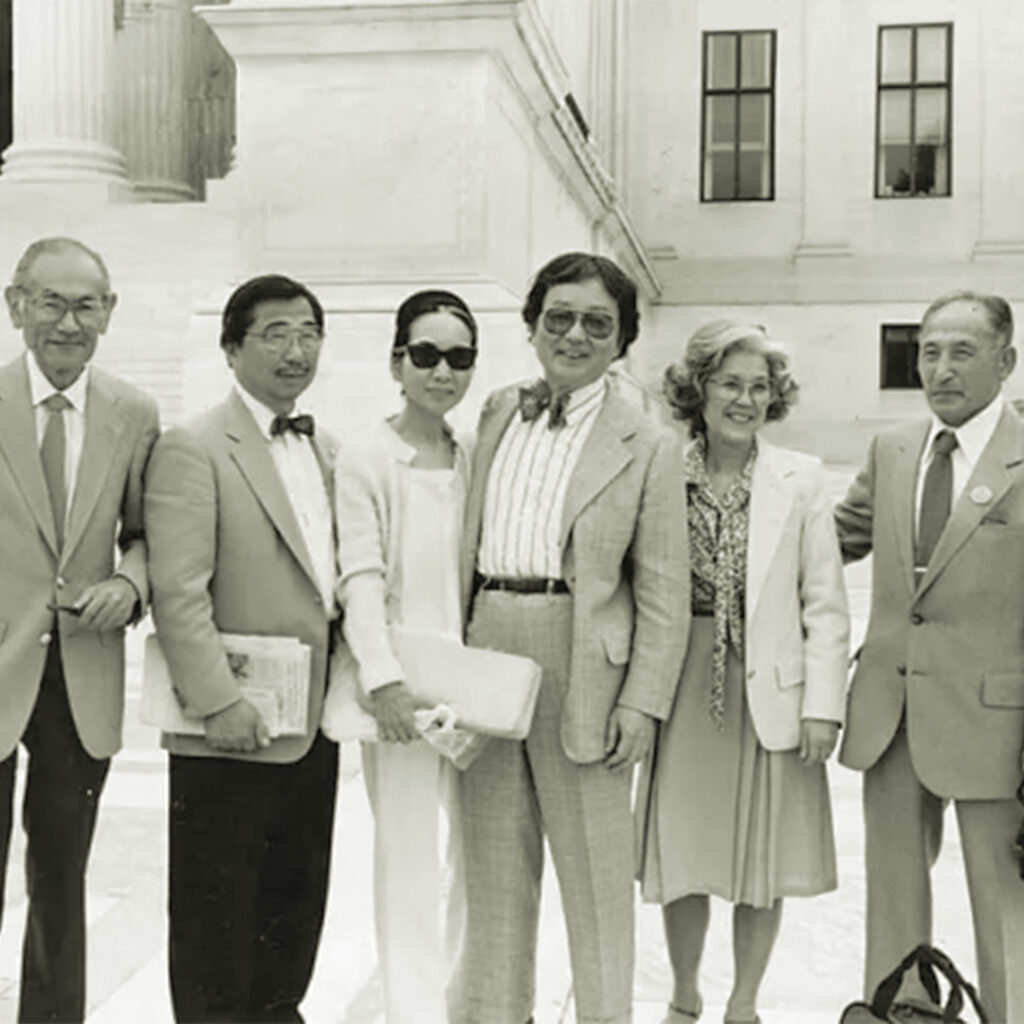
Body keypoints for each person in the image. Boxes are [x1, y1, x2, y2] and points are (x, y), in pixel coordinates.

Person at [447, 252, 690, 1024]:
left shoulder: (646, 443)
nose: (575, 335)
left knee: (593, 884)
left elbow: (662, 587)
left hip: (585, 663)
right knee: (490, 876)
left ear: (622, 341)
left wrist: (643, 702)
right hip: (488, 645)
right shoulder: (496, 414)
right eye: (559, 318)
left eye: (597, 323)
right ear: (531, 325)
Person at [637, 320, 850, 1024]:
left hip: (769, 687)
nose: (746, 399)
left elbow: (824, 600)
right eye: (730, 383)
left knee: (763, 863)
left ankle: (744, 1004)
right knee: (685, 851)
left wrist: (824, 706)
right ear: (698, 389)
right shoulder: (658, 468)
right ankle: (684, 994)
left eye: (761, 387)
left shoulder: (801, 478)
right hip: (682, 677)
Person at [144, 274, 339, 1023]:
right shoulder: (195, 447)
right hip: (226, 730)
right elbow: (179, 590)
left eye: (309, 333)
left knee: (292, 917)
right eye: (276, 334)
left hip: (307, 724)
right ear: (231, 349)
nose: (297, 350)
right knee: (213, 932)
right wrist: (217, 700)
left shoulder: (325, 447)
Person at [835, 290, 1024, 1023]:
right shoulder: (892, 450)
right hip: (891, 717)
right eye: (929, 352)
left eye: (962, 352)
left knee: (1004, 914)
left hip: (997, 730)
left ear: (1006, 362)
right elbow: (829, 540)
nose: (940, 369)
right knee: (892, 908)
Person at [0, 236, 160, 1023]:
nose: (69, 322)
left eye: (86, 305)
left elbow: (144, 530)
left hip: (82, 672)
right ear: (15, 306)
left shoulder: (134, 413)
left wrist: (130, 583)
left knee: (61, 880)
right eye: (52, 302)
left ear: (110, 312)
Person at [332, 289, 477, 1024]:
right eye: (425, 354)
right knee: (409, 864)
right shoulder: (365, 454)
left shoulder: (476, 452)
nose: (441, 371)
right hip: (401, 693)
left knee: (476, 869)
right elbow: (359, 575)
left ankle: (460, 1004)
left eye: (458, 357)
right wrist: (383, 681)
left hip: (475, 693)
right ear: (397, 361)